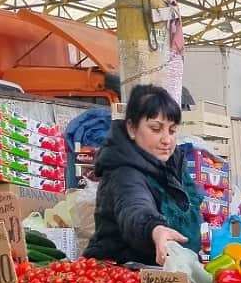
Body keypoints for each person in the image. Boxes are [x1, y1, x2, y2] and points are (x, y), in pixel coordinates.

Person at [85, 84, 202, 266]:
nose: (167, 140)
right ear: (132, 128)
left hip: (169, 272)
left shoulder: (173, 163)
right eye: (156, 129)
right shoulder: (123, 172)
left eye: (172, 130)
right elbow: (134, 207)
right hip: (124, 274)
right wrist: (155, 230)